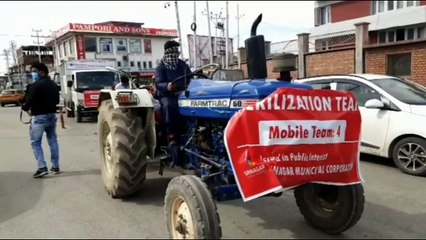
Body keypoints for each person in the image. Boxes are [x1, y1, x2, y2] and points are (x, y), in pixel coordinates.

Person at [22, 62, 60, 178]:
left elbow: (27, 103)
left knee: (36, 142)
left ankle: (42, 167)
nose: (32, 74)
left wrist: (25, 106)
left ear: (41, 72)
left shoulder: (35, 86)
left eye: (34, 71)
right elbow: (57, 101)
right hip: (52, 116)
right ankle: (55, 166)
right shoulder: (53, 84)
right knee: (53, 140)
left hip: (39, 118)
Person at [155, 40, 192, 145]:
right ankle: (171, 135)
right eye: (174, 52)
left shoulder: (183, 65)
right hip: (168, 95)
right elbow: (159, 82)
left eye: (177, 52)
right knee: (169, 105)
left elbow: (190, 77)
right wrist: (168, 86)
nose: (176, 55)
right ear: (168, 53)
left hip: (184, 93)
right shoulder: (161, 67)